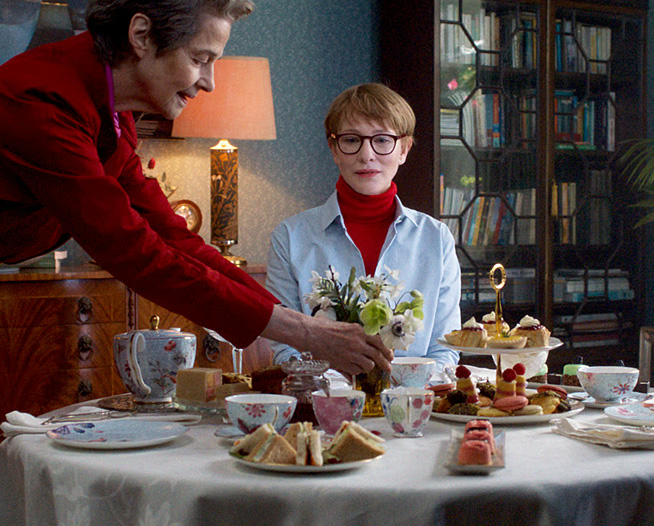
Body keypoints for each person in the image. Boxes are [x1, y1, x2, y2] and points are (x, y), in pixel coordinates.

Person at [0, 0, 391, 376]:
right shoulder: (43, 102)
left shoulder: (112, 115)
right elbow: (132, 249)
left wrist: (302, 325)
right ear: (141, 36)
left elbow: (174, 237)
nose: (209, 83)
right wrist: (303, 332)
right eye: (199, 60)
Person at [265, 83, 461, 368]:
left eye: (382, 140)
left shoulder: (436, 238)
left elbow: (445, 350)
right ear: (334, 149)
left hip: (416, 402)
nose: (367, 155)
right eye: (352, 140)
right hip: (323, 400)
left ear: (404, 149)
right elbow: (287, 350)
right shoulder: (290, 237)